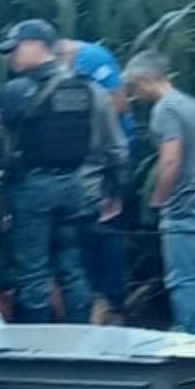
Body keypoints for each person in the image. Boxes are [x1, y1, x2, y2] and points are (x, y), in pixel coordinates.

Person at [0, 20, 127, 324]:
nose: (10, 57)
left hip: (33, 188)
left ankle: (37, 346)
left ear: (35, 46)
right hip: (75, 188)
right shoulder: (90, 90)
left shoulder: (14, 91)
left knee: (34, 270)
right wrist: (112, 192)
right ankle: (78, 337)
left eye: (14, 49)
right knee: (73, 268)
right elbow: (115, 149)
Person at [125, 51, 195, 335]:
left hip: (183, 204)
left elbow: (171, 160)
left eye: (134, 87)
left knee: (182, 278)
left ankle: (191, 338)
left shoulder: (164, 110)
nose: (133, 95)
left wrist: (157, 201)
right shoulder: (190, 104)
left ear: (144, 80)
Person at [57, 38, 134, 323]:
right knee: (94, 242)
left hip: (92, 180)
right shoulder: (85, 81)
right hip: (97, 178)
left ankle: (104, 305)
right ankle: (102, 305)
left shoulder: (91, 60)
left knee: (94, 243)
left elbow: (121, 105)